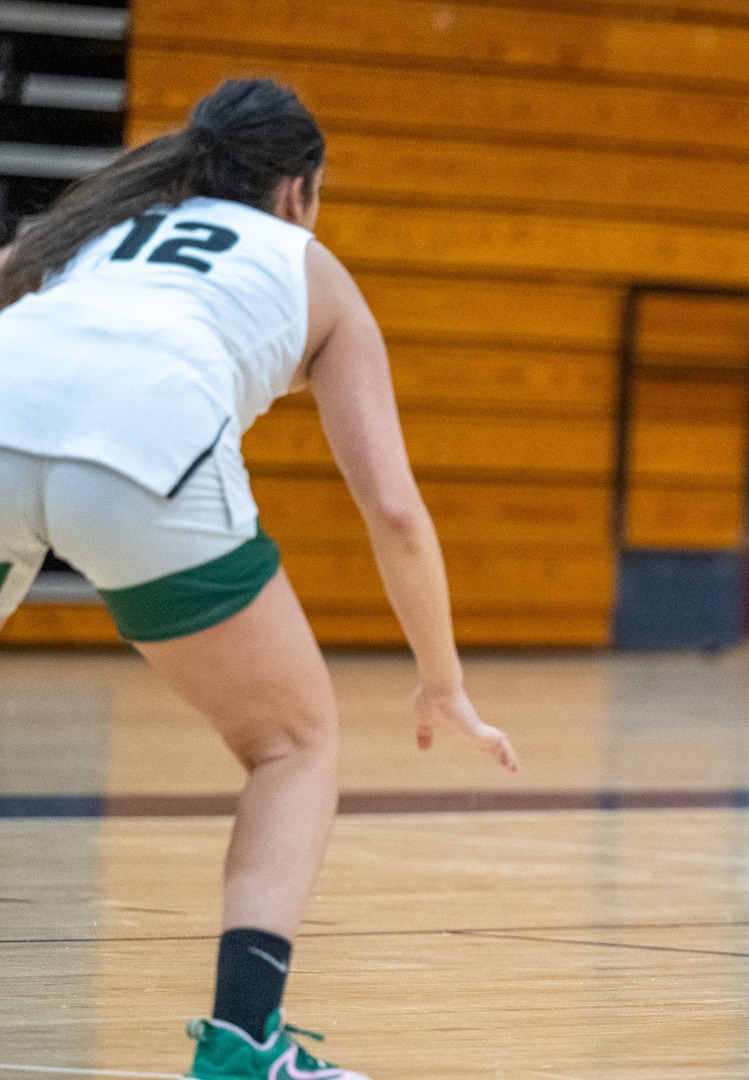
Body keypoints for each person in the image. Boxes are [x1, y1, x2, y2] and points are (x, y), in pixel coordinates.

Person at [0, 79, 519, 1080]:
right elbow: (396, 511)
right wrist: (442, 678)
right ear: (299, 192)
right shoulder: (313, 272)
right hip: (142, 449)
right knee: (293, 743)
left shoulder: (100, 225)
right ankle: (243, 1046)